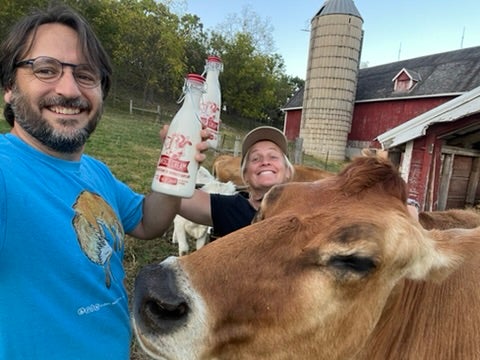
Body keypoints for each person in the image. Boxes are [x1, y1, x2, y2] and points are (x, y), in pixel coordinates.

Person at [0, 5, 208, 359]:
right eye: (46, 69)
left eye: (85, 75)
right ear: (8, 87)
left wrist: (177, 169)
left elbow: (148, 222)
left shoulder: (96, 172)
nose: (69, 89)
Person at [179, 125, 295, 237]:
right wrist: (179, 155)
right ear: (245, 176)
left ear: (288, 171)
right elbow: (176, 199)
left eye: (273, 156)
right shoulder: (229, 208)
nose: (265, 162)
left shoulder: (303, 211)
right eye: (255, 158)